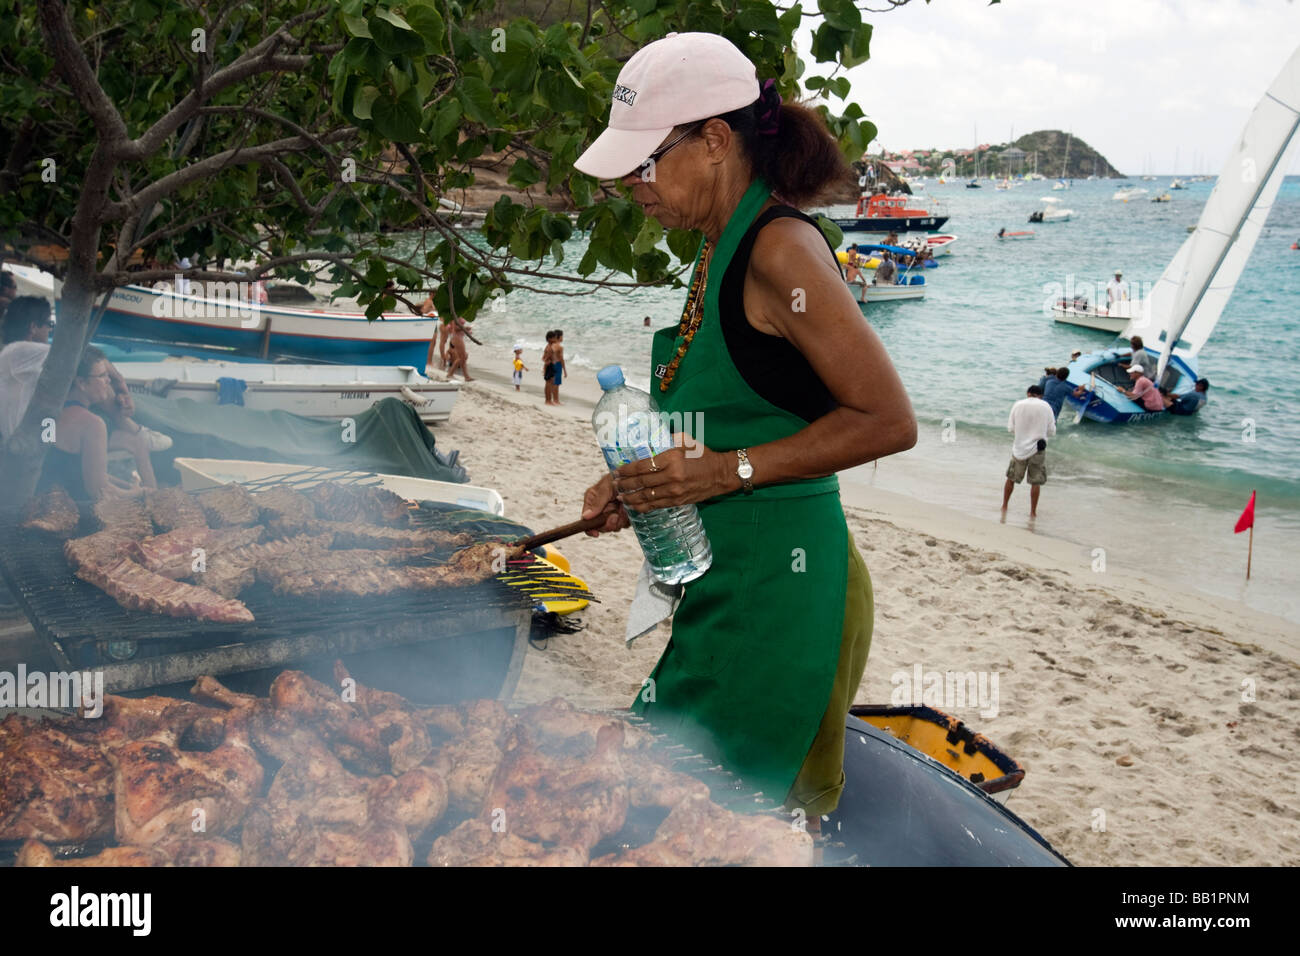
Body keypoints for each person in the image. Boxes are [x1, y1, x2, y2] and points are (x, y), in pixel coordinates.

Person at [572, 32, 916, 819]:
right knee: (668, 806)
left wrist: (728, 472)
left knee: (704, 818)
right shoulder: (718, 245)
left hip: (785, 593)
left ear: (716, 140)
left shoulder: (781, 250)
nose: (635, 185)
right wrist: (644, 482)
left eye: (646, 162)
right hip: (724, 578)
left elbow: (889, 421)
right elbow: (740, 408)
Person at [1003, 384, 1056, 517]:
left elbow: (1010, 428)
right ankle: (1032, 512)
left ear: (1028, 393)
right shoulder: (1046, 406)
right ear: (1041, 395)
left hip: (1019, 448)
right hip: (1038, 448)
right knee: (1035, 482)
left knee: (1011, 478)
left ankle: (1004, 506)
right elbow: (1051, 431)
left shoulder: (1018, 404)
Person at [550, 328, 567, 404]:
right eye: (562, 336)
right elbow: (561, 359)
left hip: (551, 364)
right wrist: (565, 370)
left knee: (553, 383)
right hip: (557, 365)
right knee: (556, 384)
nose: (562, 338)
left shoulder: (551, 345)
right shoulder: (560, 347)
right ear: (559, 337)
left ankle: (554, 399)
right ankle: (556, 400)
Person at [541, 331, 556, 405]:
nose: (555, 339)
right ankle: (548, 400)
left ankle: (548, 399)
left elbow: (543, 358)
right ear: (549, 339)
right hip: (550, 366)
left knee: (549, 383)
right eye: (554, 338)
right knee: (549, 383)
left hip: (549, 366)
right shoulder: (550, 348)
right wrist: (547, 363)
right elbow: (546, 358)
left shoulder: (547, 346)